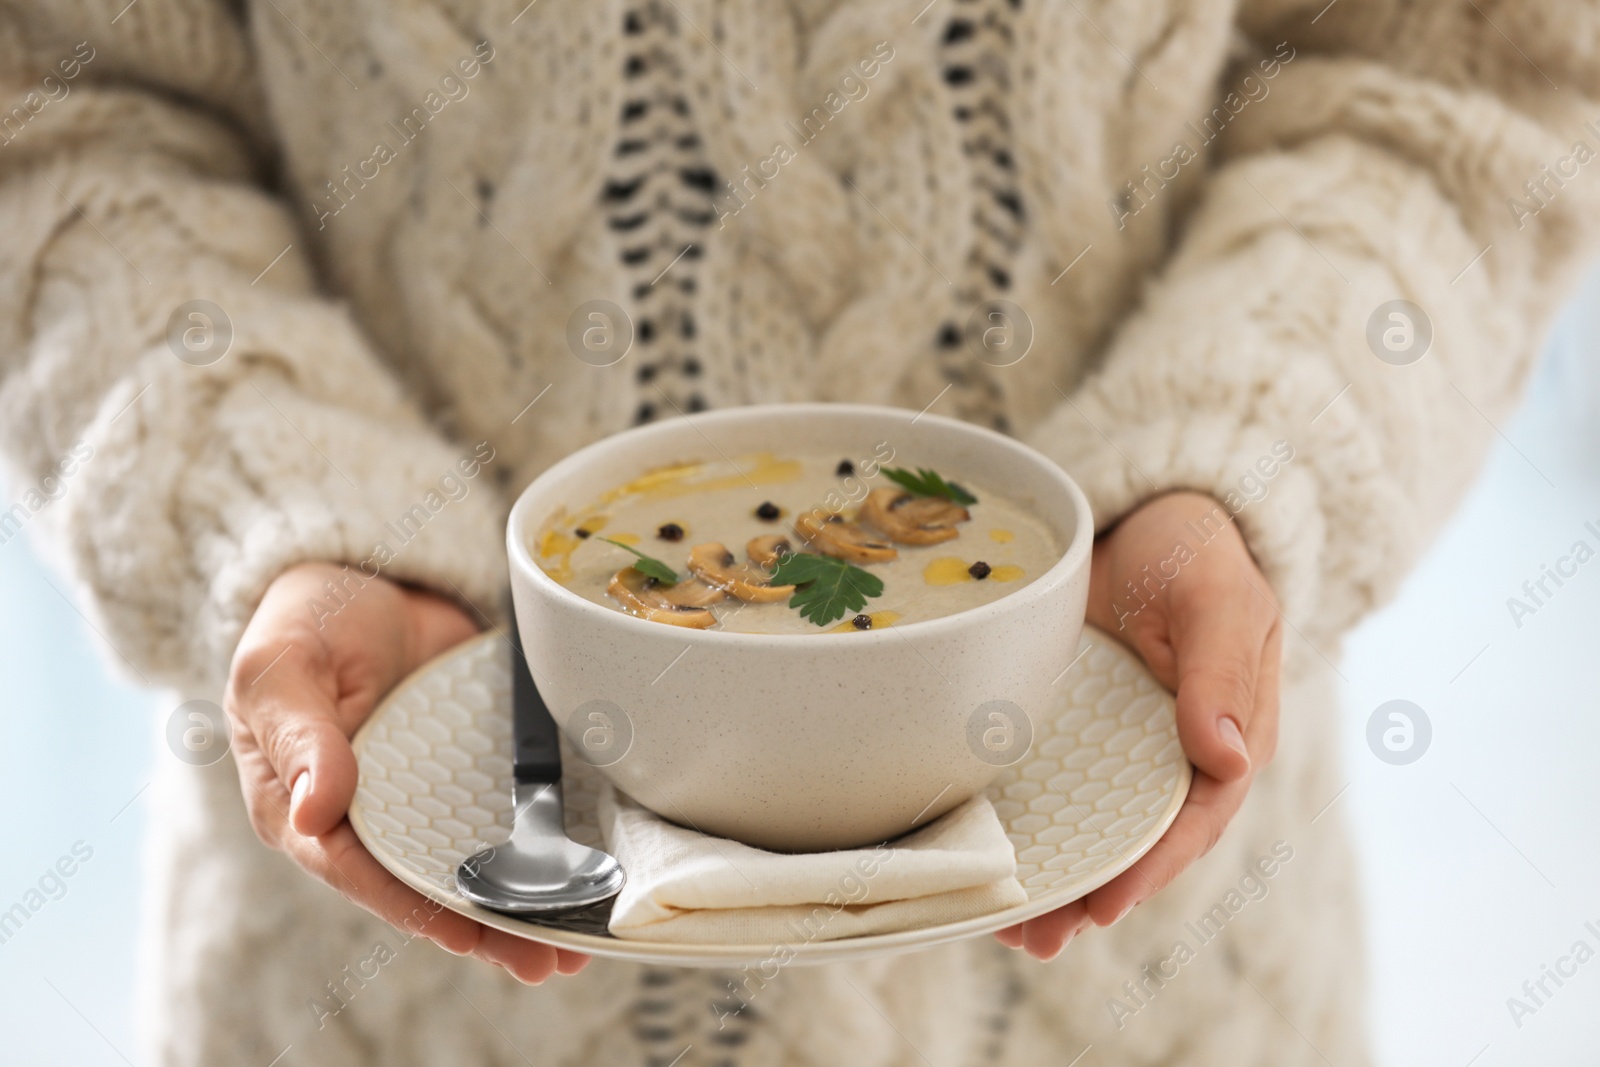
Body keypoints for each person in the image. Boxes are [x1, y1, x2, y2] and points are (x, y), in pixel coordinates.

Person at [3, 1, 1596, 1063]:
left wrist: (1243, 455)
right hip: (385, 994)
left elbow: (1449, 79)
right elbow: (59, 115)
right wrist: (280, 503)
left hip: (1149, 1001)